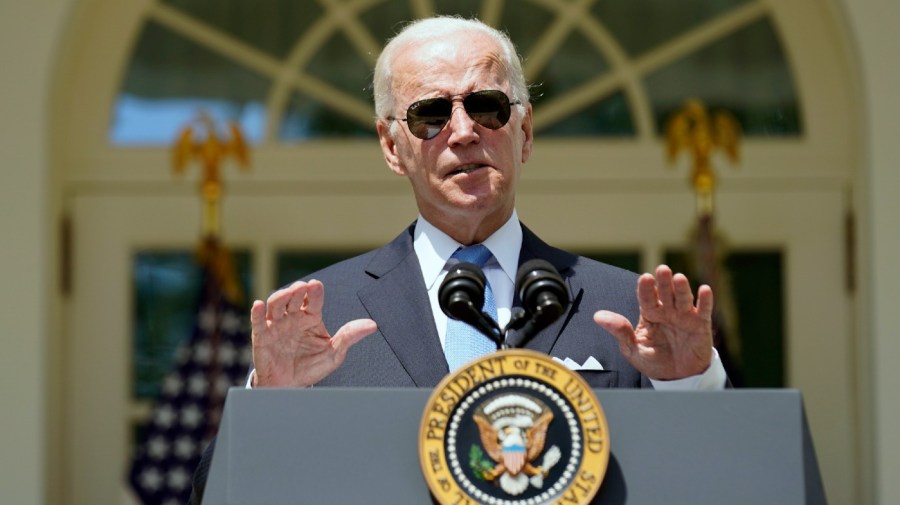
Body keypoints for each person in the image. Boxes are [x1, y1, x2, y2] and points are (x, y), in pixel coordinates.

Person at [190, 15, 726, 503]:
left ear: (526, 131)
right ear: (391, 146)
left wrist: (688, 385)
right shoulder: (321, 319)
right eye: (430, 115)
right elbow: (216, 496)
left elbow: (721, 483)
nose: (465, 131)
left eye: (487, 106)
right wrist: (270, 405)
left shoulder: (623, 308)